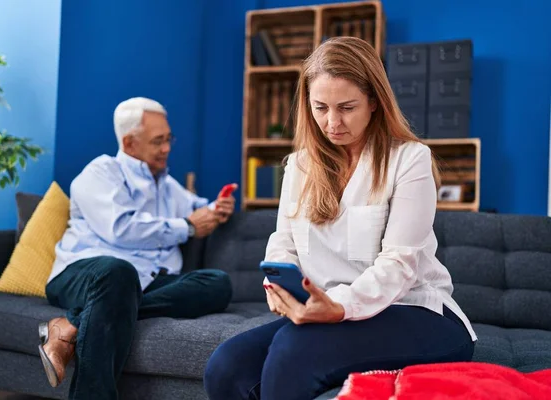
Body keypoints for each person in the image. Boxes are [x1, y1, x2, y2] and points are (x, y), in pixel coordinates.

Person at [204, 37, 477, 400]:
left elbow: (399, 264)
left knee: (294, 351)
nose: (332, 123)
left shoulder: (410, 159)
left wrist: (339, 307)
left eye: (347, 107)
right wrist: (279, 286)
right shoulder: (300, 165)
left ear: (375, 102)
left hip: (417, 312)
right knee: (226, 365)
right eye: (320, 108)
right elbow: (283, 240)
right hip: (329, 316)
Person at [38, 97, 236, 399]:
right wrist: (189, 226)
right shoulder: (100, 173)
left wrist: (216, 208)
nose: (167, 148)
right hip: (88, 273)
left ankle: (72, 323)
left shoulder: (166, 183)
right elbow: (122, 229)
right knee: (118, 272)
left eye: (169, 139)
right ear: (130, 143)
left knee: (217, 284)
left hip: (146, 280)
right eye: (158, 141)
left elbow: (195, 207)